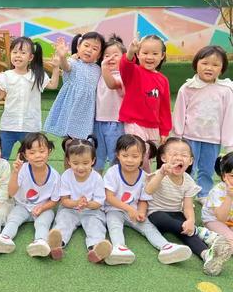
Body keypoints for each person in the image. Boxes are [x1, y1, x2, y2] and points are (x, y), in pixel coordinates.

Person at [146, 137, 232, 276]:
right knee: (167, 220)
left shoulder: (188, 181)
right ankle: (206, 235)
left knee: (187, 230)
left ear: (191, 161)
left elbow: (187, 207)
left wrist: (190, 221)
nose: (179, 158)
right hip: (156, 212)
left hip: (175, 212)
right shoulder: (160, 174)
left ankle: (206, 255)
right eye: (174, 154)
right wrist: (161, 173)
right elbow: (148, 190)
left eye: (184, 155)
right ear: (163, 158)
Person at [104, 134, 192, 265]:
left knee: (148, 227)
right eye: (125, 155)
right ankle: (119, 248)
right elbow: (109, 197)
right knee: (114, 225)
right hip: (113, 209)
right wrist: (129, 208)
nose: (129, 160)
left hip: (133, 211)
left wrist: (141, 212)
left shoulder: (145, 176)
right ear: (118, 155)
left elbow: (143, 199)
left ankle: (166, 247)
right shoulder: (113, 172)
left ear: (142, 157)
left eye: (135, 156)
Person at [173, 45, 233, 200]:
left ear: (222, 68)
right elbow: (179, 112)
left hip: (213, 139)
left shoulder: (225, 90)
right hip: (189, 137)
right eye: (205, 63)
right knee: (187, 167)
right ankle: (185, 195)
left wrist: (228, 143)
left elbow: (228, 117)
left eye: (215, 65)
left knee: (207, 169)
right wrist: (177, 136)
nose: (209, 68)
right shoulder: (187, 88)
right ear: (196, 64)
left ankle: (204, 193)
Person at [0, 133, 60, 257]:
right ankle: (4, 238)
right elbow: (11, 192)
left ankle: (40, 242)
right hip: (22, 206)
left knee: (43, 222)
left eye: (42, 151)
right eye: (32, 153)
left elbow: (54, 201)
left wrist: (42, 208)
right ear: (25, 155)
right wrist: (15, 173)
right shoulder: (22, 170)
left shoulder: (55, 176)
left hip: (43, 208)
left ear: (49, 151)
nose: (38, 156)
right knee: (13, 219)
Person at [47, 137, 112, 262]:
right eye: (75, 163)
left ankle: (96, 249)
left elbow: (98, 203)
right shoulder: (66, 176)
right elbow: (64, 200)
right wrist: (76, 203)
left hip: (91, 210)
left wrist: (87, 204)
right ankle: (56, 245)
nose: (80, 167)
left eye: (85, 163)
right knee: (63, 221)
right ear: (69, 161)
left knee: (96, 225)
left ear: (93, 161)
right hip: (70, 208)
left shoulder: (97, 178)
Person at [0, 37, 60, 160]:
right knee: (2, 158)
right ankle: (1, 179)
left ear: (30, 57)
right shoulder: (4, 76)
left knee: (29, 159)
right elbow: (0, 96)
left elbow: (53, 85)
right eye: (14, 52)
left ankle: (26, 178)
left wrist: (56, 68)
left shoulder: (37, 75)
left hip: (30, 126)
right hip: (8, 125)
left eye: (23, 53)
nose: (18, 56)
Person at [118, 34, 171, 172]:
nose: (149, 57)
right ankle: (142, 180)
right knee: (138, 152)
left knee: (147, 155)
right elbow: (125, 66)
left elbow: (165, 108)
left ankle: (144, 183)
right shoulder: (133, 72)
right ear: (138, 54)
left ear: (162, 55)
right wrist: (130, 53)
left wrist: (164, 130)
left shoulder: (163, 80)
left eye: (155, 53)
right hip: (133, 123)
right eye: (145, 53)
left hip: (153, 127)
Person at [44, 32, 105, 139]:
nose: (89, 50)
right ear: (78, 46)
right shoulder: (73, 62)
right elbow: (66, 67)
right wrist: (62, 57)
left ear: (99, 55)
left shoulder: (98, 69)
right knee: (69, 140)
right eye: (86, 45)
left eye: (95, 49)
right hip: (71, 107)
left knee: (82, 141)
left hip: (86, 111)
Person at [93, 35, 126, 173]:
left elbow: (112, 84)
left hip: (116, 123)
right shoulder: (98, 74)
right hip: (98, 122)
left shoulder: (123, 75)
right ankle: (95, 188)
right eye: (106, 55)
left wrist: (104, 68)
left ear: (124, 57)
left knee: (115, 158)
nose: (110, 58)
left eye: (115, 55)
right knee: (96, 158)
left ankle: (115, 187)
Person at [202, 153, 233, 246]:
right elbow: (221, 218)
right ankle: (205, 234)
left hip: (230, 221)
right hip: (214, 220)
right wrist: (229, 196)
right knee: (231, 241)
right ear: (224, 176)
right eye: (232, 176)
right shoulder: (217, 191)